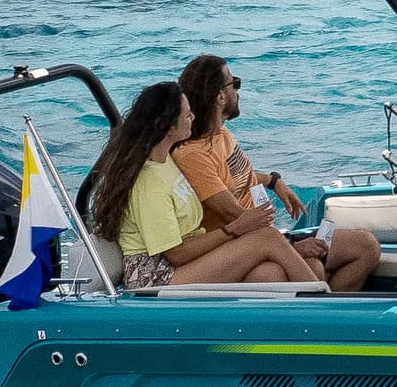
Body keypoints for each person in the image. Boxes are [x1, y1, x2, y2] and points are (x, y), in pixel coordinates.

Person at [84, 80, 319, 290]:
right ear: (168, 126)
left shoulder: (166, 159)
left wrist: (270, 180)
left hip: (181, 261)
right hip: (156, 275)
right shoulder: (148, 182)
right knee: (266, 237)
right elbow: (176, 253)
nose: (193, 118)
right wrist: (235, 228)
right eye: (187, 115)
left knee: (270, 274)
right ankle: (325, 305)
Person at [175, 54, 380, 292]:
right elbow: (237, 217)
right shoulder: (193, 155)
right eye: (234, 84)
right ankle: (325, 319)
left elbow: (239, 176)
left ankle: (337, 317)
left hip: (264, 235)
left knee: (365, 246)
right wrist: (290, 248)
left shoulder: (221, 135)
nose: (238, 91)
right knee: (311, 265)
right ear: (220, 96)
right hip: (242, 245)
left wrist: (273, 181)